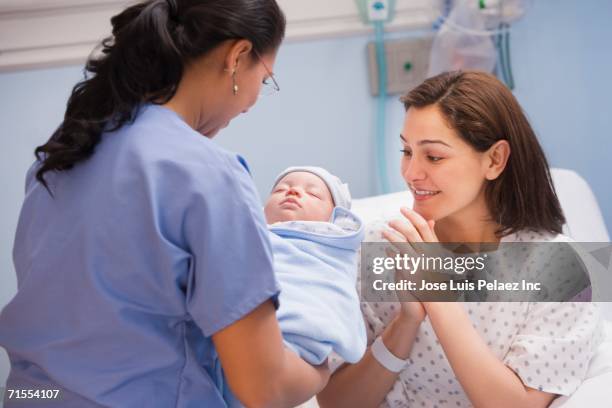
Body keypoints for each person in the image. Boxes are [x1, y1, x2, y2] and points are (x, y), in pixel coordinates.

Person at [0, 1, 329, 407]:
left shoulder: (62, 153)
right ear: (238, 57)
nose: (254, 100)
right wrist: (324, 364)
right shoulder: (208, 176)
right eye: (265, 80)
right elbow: (265, 388)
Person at [317, 71, 604, 408]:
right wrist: (406, 322)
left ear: (494, 160)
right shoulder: (379, 245)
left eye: (434, 156)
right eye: (406, 151)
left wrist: (437, 297)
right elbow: (335, 403)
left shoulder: (562, 269)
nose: (411, 173)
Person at [264, 167, 367, 366]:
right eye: (280, 190)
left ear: (335, 218)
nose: (292, 191)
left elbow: (336, 289)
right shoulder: (253, 232)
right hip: (253, 323)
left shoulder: (335, 246)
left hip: (304, 331)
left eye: (312, 193)